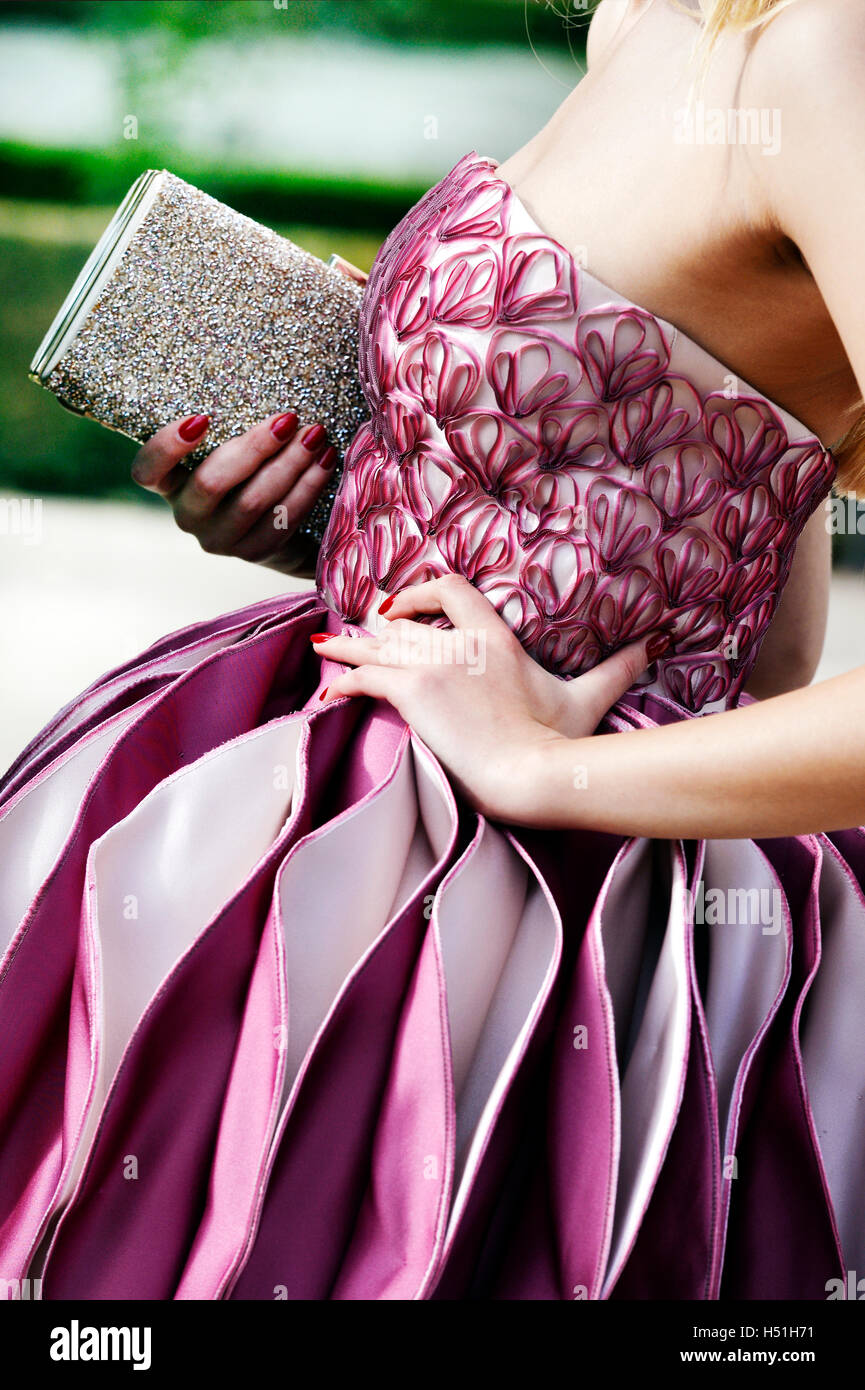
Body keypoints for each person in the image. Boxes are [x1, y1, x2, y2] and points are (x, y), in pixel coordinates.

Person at [1, 0, 863, 1301]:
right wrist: (347, 506)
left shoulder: (822, 56)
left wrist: (543, 774)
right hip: (308, 788)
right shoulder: (649, 19)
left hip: (524, 925)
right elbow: (749, 554)